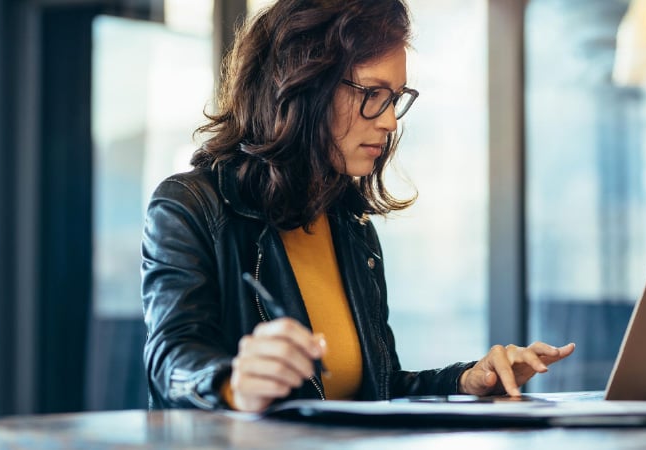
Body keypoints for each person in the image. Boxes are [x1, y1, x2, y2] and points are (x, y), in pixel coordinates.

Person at [141, 0, 575, 413]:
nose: (388, 121)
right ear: (303, 86)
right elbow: (170, 360)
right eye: (372, 93)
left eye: (395, 98)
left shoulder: (350, 225)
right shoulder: (190, 206)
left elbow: (377, 390)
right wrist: (234, 384)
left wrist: (467, 381)